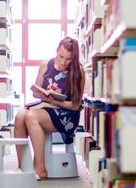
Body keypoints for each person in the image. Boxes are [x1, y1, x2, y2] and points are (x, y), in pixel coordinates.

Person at [14, 37, 85, 180]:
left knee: (30, 116)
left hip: (66, 114)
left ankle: (40, 169)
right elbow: (35, 91)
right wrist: (43, 93)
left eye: (69, 59)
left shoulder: (78, 71)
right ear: (57, 50)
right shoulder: (45, 65)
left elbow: (76, 105)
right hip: (45, 106)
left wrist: (55, 101)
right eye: (61, 56)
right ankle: (22, 167)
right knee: (20, 116)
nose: (64, 62)